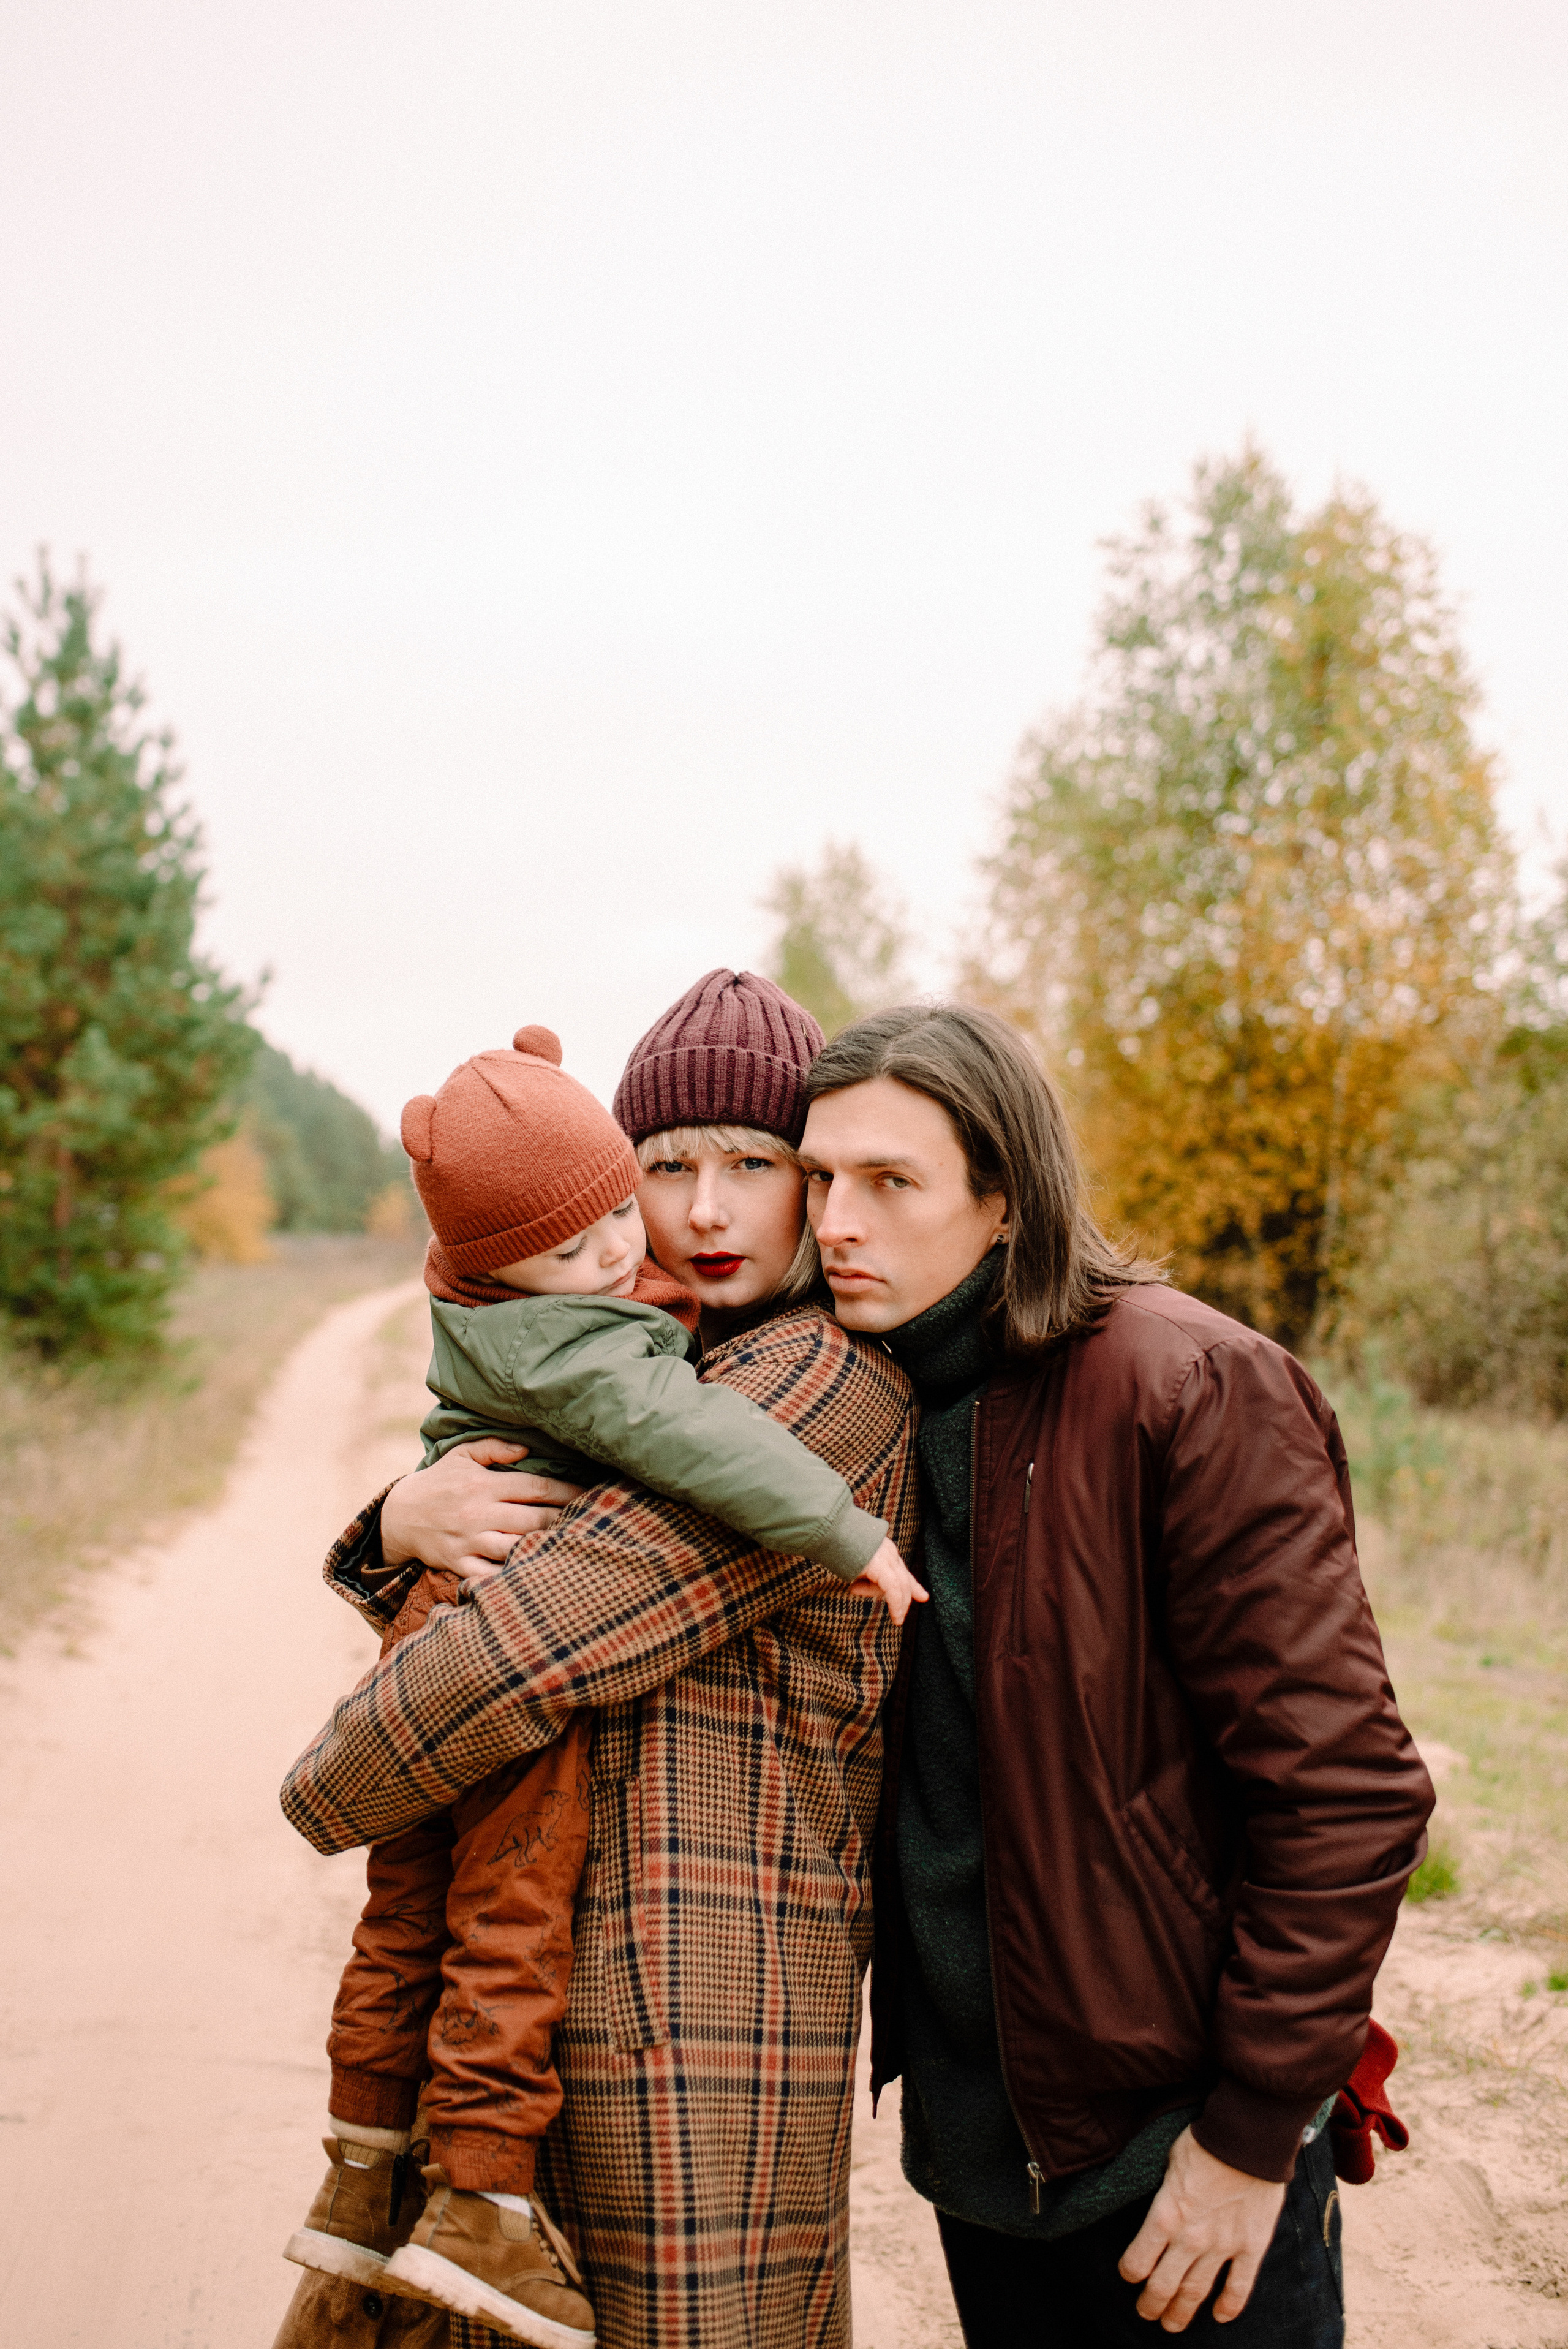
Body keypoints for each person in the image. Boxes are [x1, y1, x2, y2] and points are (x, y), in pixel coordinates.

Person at [276, 970, 921, 2349]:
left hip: (703, 2020)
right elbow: (523, 1512)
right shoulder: (664, 1362)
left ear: (809, 1182)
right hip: (578, 1998)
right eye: (663, 1167)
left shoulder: (808, 1386)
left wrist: (333, 1785)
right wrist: (395, 1524)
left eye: (751, 1165)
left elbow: (519, 1649)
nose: (701, 1211)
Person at [796, 1003, 1435, 2348]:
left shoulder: (1188, 1387)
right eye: (818, 1178)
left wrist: (1250, 2137)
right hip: (981, 2160)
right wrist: (414, 1510)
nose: (833, 1221)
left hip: (1174, 2159)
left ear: (1006, 1199)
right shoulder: (857, 1400)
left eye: (888, 1182)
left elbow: (1347, 1793)